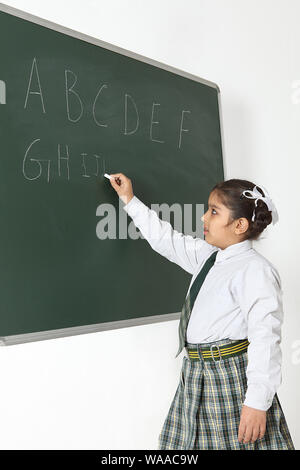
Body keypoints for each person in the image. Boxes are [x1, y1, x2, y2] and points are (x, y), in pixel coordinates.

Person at [109, 172, 295, 451]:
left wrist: (257, 402)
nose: (204, 218)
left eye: (214, 212)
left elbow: (265, 338)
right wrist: (129, 199)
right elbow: (166, 240)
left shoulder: (255, 270)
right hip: (196, 374)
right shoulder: (209, 257)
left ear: (240, 225)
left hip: (229, 377)